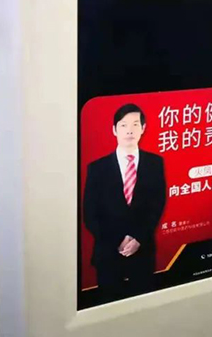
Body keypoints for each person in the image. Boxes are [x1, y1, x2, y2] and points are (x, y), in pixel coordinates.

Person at [83, 104, 167, 300]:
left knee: (144, 305)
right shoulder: (97, 168)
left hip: (143, 251)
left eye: (135, 124)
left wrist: (138, 238)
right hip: (108, 254)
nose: (129, 130)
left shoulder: (155, 163)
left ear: (143, 128)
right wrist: (117, 241)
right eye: (123, 125)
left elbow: (157, 204)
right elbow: (90, 213)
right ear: (114, 130)